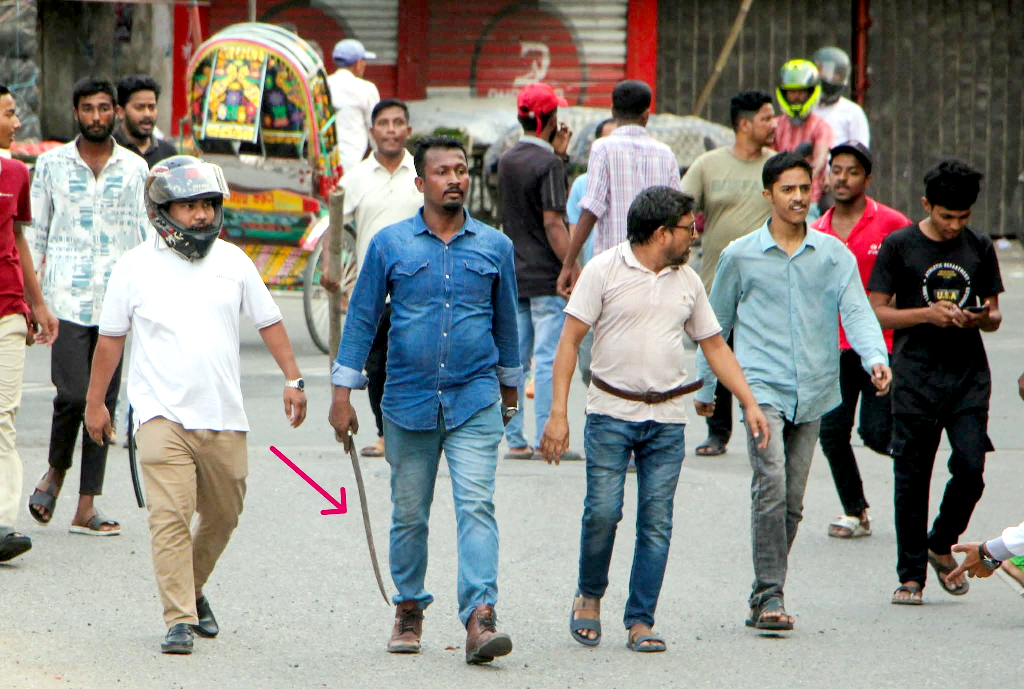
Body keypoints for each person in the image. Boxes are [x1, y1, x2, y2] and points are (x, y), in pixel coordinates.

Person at [82, 155, 307, 654]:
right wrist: (96, 403)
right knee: (170, 517)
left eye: (208, 203)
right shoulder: (133, 267)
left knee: (225, 513)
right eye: (189, 206)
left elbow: (269, 320)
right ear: (162, 211)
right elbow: (110, 341)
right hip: (160, 415)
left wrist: (294, 379)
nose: (202, 214)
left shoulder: (233, 261)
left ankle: (193, 585)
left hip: (224, 414)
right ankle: (179, 619)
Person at [539, 186, 770, 653]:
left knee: (656, 523)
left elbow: (714, 345)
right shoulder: (603, 269)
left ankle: (641, 619)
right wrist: (557, 414)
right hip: (609, 414)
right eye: (689, 228)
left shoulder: (688, 281)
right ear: (663, 232)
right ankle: (589, 594)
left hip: (666, 421)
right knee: (603, 512)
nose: (694, 236)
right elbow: (569, 342)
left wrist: (748, 401)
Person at [328, 136, 522, 665]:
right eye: (442, 171)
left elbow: (507, 326)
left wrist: (509, 399)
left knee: (476, 504)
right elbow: (362, 320)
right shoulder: (389, 246)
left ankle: (480, 616)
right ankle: (409, 606)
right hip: (408, 401)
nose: (454, 178)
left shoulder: (495, 247)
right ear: (420, 182)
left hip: (474, 399)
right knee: (410, 514)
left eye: (461, 170)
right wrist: (342, 395)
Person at [695, 152, 891, 630]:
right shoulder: (740, 255)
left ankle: (763, 589)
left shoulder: (833, 255)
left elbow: (856, 310)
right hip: (760, 389)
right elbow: (716, 325)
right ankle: (770, 595)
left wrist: (875, 358)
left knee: (792, 501)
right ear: (768, 194)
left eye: (804, 188)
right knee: (770, 484)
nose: (798, 198)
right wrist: (707, 387)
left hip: (816, 389)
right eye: (788, 190)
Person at [866, 159, 1003, 606]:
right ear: (926, 205)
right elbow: (878, 311)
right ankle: (910, 576)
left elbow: (994, 315)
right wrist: (927, 314)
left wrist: (978, 318)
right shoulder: (899, 245)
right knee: (911, 478)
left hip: (968, 378)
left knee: (971, 468)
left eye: (963, 216)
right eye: (946, 216)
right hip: (914, 377)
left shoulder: (979, 246)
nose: (954, 225)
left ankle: (941, 541)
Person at [25, 77, 150, 536]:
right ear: (75, 112)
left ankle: (86, 506)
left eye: (103, 108)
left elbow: (146, 237)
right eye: (87, 109)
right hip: (63, 300)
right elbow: (34, 234)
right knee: (74, 395)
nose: (96, 117)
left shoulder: (135, 169)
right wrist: (32, 301)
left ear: (115, 112)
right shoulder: (51, 165)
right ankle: (56, 472)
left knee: (104, 403)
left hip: (117, 302)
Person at [812, 141, 910, 539]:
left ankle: (914, 465)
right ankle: (855, 511)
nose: (842, 178)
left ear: (867, 179)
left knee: (876, 431)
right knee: (832, 433)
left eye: (852, 172)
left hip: (881, 344)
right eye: (836, 170)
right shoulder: (816, 230)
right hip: (833, 347)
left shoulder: (892, 223)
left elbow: (914, 274)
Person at [680, 90, 776, 457]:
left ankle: (765, 427)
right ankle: (716, 432)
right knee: (717, 350)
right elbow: (681, 209)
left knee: (762, 359)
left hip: (767, 285)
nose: (773, 125)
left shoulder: (777, 166)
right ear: (744, 125)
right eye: (766, 118)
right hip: (717, 282)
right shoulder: (708, 165)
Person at [327, 98, 423, 458]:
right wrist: (330, 268)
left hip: (419, 287)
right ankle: (385, 433)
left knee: (417, 362)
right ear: (372, 131)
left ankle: (421, 432)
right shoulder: (355, 179)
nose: (391, 130)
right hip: (374, 290)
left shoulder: (422, 174)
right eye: (384, 123)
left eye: (398, 123)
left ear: (408, 130)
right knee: (377, 366)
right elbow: (334, 224)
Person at [498, 82, 578, 460]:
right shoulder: (549, 165)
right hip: (547, 276)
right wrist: (572, 265)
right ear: (551, 119)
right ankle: (548, 436)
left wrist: (559, 158)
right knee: (547, 359)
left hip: (514, 272)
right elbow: (553, 222)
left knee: (514, 360)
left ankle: (514, 439)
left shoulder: (507, 159)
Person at [0, 84, 58, 562]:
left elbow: (18, 240)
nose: (16, 123)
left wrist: (37, 305)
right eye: (8, 113)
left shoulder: (17, 173)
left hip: (7, 310)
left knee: (3, 418)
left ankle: (2, 524)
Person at [556, 80, 681, 299]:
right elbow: (678, 213)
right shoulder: (666, 154)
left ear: (613, 111)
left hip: (614, 272)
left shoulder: (603, 148)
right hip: (657, 273)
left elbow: (591, 209)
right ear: (646, 115)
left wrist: (568, 264)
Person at [567, 118, 616, 386]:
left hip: (627, 277)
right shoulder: (582, 184)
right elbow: (575, 232)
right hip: (591, 277)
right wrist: (573, 270)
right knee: (588, 361)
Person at [772, 59, 834, 221]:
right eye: (791, 92)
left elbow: (819, 162)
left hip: (808, 204)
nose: (796, 97)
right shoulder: (775, 125)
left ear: (811, 92)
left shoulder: (821, 127)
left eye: (801, 92)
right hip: (776, 203)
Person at [327, 38, 380, 175]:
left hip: (325, 160)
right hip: (353, 160)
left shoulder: (324, 84)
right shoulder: (366, 88)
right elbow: (375, 126)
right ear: (358, 63)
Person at [113, 74, 177, 168]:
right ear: (120, 112)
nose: (147, 114)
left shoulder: (168, 152)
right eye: (140, 107)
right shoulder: (109, 149)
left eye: (151, 107)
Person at [813, 47, 870, 147]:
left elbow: (860, 149)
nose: (833, 78)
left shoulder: (853, 112)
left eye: (836, 75)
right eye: (820, 71)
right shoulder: (807, 110)